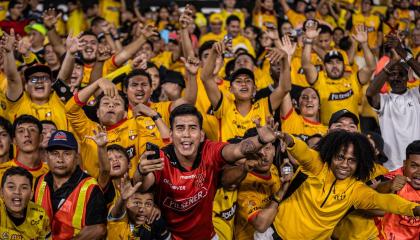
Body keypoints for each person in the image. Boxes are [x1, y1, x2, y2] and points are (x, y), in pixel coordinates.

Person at [135, 104, 281, 239]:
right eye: (180, 128)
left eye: (192, 128)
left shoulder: (209, 150)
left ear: (202, 135)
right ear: (171, 135)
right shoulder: (162, 159)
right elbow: (141, 186)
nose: (186, 134)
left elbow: (238, 149)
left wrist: (260, 140)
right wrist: (140, 171)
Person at [268, 130, 420, 239]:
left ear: (359, 163)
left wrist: (414, 208)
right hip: (274, 235)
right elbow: (302, 151)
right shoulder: (317, 166)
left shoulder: (356, 190)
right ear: (331, 155)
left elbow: (384, 201)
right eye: (340, 157)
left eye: (351, 160)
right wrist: (286, 138)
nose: (344, 164)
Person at [201, 40, 290, 142]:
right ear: (231, 90)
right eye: (238, 81)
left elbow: (285, 88)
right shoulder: (224, 106)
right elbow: (206, 78)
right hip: (229, 157)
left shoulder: (263, 107)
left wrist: (285, 59)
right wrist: (213, 53)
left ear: (254, 89)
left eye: (248, 81)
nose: (243, 83)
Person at [34, 130, 107, 239]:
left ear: (77, 158)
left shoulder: (90, 187)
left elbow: (99, 229)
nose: (60, 159)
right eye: (55, 153)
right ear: (47, 157)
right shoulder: (40, 181)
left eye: (67, 154)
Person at [302, 21, 376, 125]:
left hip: (353, 135)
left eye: (338, 62)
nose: (334, 66)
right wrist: (309, 41)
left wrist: (364, 44)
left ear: (344, 65)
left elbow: (371, 67)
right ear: (324, 66)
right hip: (330, 137)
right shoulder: (320, 81)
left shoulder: (354, 80)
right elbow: (306, 65)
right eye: (330, 63)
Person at [366, 39, 420, 170]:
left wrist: (404, 54)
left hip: (418, 165)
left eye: (401, 74)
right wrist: (392, 62)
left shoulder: (416, 94)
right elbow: (370, 92)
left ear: (408, 76)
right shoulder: (384, 100)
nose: (396, 78)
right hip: (392, 167)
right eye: (392, 74)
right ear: (387, 78)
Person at [234, 128, 290, 240]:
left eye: (267, 148)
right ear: (248, 153)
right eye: (258, 149)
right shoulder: (244, 181)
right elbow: (261, 225)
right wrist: (282, 191)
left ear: (274, 150)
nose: (263, 155)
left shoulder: (273, 168)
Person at [377, 140, 420, 240]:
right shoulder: (392, 178)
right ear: (405, 164)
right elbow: (374, 191)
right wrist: (388, 186)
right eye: (414, 166)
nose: (419, 172)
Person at [0, 167, 50, 239]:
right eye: (11, 187)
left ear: (31, 194)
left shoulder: (40, 215)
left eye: (24, 188)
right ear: (1, 192)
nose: (17, 192)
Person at [0, 115, 49, 181]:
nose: (27, 134)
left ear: (41, 138)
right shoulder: (1, 173)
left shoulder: (51, 172)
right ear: (14, 140)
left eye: (32, 130)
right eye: (21, 131)